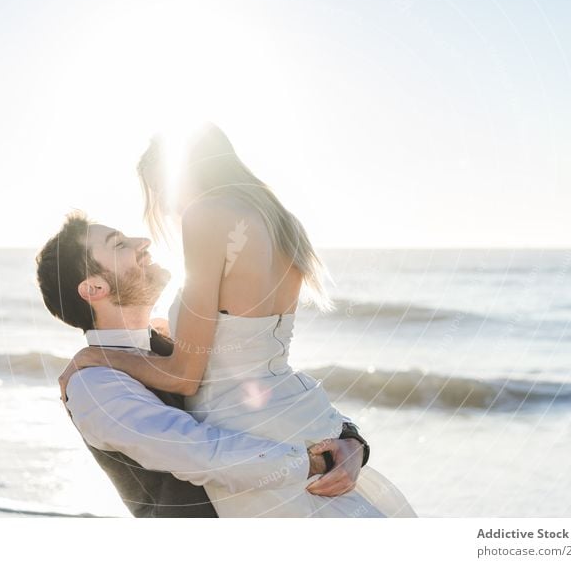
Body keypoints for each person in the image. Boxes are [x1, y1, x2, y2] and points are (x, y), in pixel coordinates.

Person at [59, 123, 417, 517]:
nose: (159, 212)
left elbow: (183, 376)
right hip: (294, 418)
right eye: (120, 244)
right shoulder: (278, 220)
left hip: (251, 431)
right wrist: (341, 443)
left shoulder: (204, 215)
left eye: (157, 192)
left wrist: (95, 356)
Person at [36, 213, 372, 517]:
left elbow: (275, 396)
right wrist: (315, 461)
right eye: (120, 244)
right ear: (94, 288)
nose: (144, 242)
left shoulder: (179, 345)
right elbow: (199, 451)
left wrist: (349, 440)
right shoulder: (94, 387)